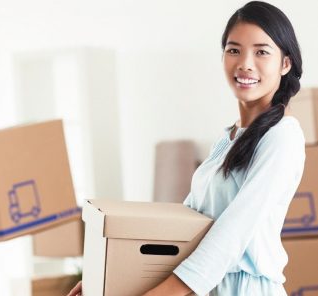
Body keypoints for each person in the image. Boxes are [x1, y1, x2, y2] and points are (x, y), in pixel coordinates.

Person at [67, 1, 304, 295]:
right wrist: (108, 279)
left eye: (261, 52)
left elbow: (233, 234)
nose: (245, 63)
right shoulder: (229, 138)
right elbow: (185, 228)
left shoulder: (282, 136)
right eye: (234, 50)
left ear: (285, 63)